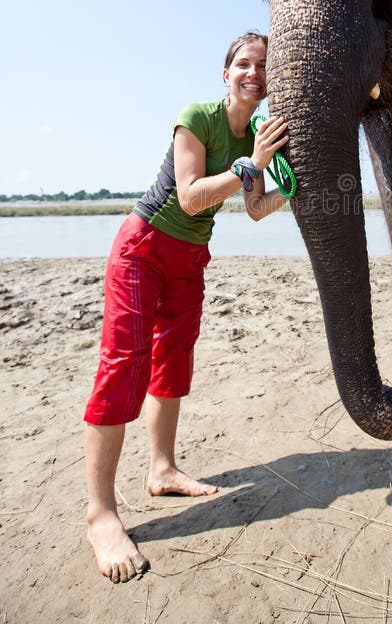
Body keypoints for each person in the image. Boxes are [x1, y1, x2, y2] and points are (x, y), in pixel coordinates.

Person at [84, 31, 289, 584]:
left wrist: (290, 188)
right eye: (243, 64)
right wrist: (251, 163)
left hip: (190, 258)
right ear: (226, 73)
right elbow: (192, 196)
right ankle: (101, 514)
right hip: (144, 247)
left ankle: (163, 470)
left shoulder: (259, 134)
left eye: (263, 66)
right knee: (123, 365)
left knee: (173, 361)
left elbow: (255, 209)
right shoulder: (197, 117)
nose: (253, 73)